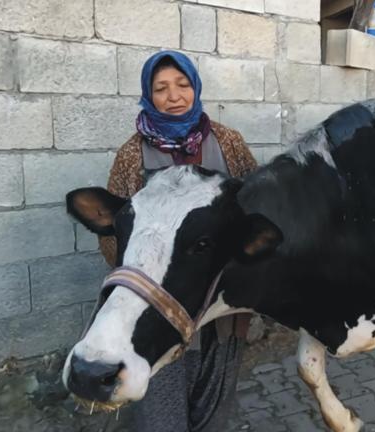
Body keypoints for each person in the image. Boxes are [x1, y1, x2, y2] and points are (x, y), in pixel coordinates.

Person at [99, 50, 257, 432]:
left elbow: (254, 205)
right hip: (156, 307)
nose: (174, 96)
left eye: (183, 85)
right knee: (161, 408)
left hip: (220, 306)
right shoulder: (131, 155)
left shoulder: (228, 142)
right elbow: (114, 235)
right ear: (147, 95)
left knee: (214, 405)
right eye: (161, 88)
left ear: (196, 87)